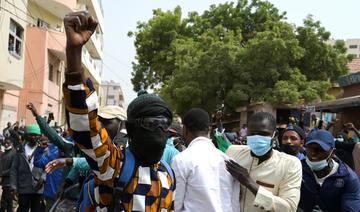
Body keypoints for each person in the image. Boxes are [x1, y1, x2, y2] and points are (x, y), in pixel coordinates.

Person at [63, 11, 175, 211]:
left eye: (163, 124)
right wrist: (74, 51)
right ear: (130, 130)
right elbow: (86, 129)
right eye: (150, 124)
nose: (158, 131)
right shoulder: (114, 165)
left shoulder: (167, 173)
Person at [226, 112, 302, 212]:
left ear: (275, 135)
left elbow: (289, 208)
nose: (257, 138)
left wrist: (249, 183)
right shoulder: (233, 152)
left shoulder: (290, 165)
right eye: (253, 134)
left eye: (264, 134)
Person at [171, 108, 240, 211]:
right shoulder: (228, 160)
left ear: (184, 130)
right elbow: (234, 204)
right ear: (210, 129)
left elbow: (176, 203)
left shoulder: (181, 160)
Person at [299, 130, 360, 212]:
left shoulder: (348, 178)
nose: (313, 154)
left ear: (333, 152)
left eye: (319, 149)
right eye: (310, 148)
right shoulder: (297, 169)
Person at [10, 124, 44, 212]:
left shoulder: (44, 149)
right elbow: (14, 169)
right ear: (27, 136)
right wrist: (13, 187)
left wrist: (43, 178)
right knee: (22, 209)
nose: (33, 137)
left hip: (38, 188)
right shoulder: (20, 149)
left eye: (36, 135)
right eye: (31, 134)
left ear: (39, 136)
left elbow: (49, 166)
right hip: (23, 187)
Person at [33, 135, 63, 211]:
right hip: (51, 195)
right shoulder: (52, 154)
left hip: (66, 197)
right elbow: (38, 163)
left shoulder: (73, 157)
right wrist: (40, 148)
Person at [0, 137, 16, 212]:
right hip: (5, 182)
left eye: (8, 143)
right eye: (5, 143)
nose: (6, 144)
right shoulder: (4, 153)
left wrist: (1, 174)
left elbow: (13, 169)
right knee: (8, 204)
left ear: (12, 143)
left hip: (10, 183)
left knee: (4, 203)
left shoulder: (14, 153)